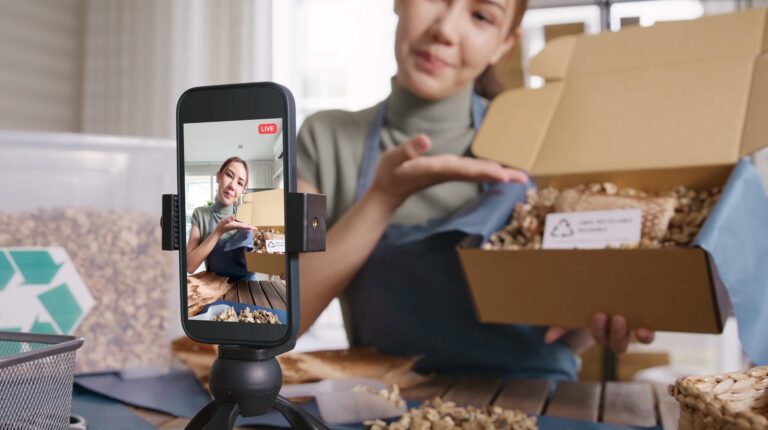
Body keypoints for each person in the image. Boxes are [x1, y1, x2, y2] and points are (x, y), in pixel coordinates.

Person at [297, 0, 654, 380]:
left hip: (535, 403)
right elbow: (275, 316)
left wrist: (601, 314)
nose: (446, 31)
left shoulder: (545, 143)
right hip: (380, 404)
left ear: (504, 43)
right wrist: (381, 199)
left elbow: (565, 331)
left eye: (481, 16)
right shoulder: (322, 140)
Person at [186, 156, 257, 279]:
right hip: (214, 290)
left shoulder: (250, 215)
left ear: (242, 190)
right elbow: (189, 266)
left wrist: (282, 267)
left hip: (249, 290)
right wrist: (218, 232)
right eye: (229, 175)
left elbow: (266, 256)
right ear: (218, 176)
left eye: (240, 183)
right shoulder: (200, 214)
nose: (232, 186)